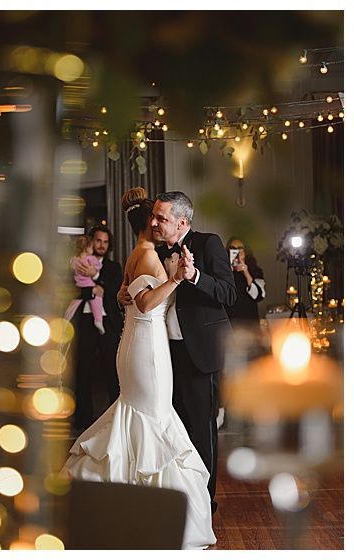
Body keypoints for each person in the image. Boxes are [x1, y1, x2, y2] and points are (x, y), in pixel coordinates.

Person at [64, 187, 216, 549]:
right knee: (152, 416)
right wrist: (177, 278)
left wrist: (125, 294)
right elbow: (147, 303)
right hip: (147, 347)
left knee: (138, 415)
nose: (159, 225)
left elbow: (125, 294)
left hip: (135, 344)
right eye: (157, 219)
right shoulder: (148, 256)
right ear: (149, 225)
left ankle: (122, 497)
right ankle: (148, 510)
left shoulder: (137, 253)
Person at [119, 190, 236, 514]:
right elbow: (140, 288)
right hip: (164, 352)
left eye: (161, 218)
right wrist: (123, 293)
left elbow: (228, 293)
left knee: (201, 429)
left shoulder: (208, 243)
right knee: (175, 428)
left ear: (182, 222)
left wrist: (194, 276)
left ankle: (203, 502)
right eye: (153, 216)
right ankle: (179, 495)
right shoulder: (153, 250)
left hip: (201, 352)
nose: (153, 222)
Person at [69, 226, 124, 434]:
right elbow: (71, 287)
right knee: (83, 369)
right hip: (83, 320)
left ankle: (116, 417)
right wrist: (92, 288)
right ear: (92, 241)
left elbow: (116, 289)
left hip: (108, 323)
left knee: (113, 369)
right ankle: (83, 418)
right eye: (98, 240)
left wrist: (97, 275)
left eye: (105, 242)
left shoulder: (113, 267)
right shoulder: (77, 263)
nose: (101, 245)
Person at [65, 235, 107, 335]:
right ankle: (98, 320)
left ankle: (66, 320)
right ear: (87, 248)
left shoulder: (74, 259)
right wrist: (94, 269)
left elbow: (71, 266)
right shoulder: (91, 259)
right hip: (89, 284)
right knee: (97, 300)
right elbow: (99, 266)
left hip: (79, 284)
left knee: (72, 305)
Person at [224, 236, 266, 327]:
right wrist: (228, 271)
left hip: (249, 320)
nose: (237, 252)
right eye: (233, 249)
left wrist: (246, 273)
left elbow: (259, 296)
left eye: (240, 248)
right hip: (229, 321)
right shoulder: (223, 271)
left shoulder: (255, 271)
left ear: (246, 251)